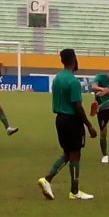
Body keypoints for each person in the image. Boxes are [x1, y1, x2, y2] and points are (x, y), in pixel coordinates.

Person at [37, 49, 97, 200]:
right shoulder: (73, 81)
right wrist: (89, 125)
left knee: (67, 153)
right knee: (75, 154)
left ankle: (48, 180)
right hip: (72, 120)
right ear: (74, 59)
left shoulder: (57, 78)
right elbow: (77, 106)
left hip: (60, 119)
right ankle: (73, 191)